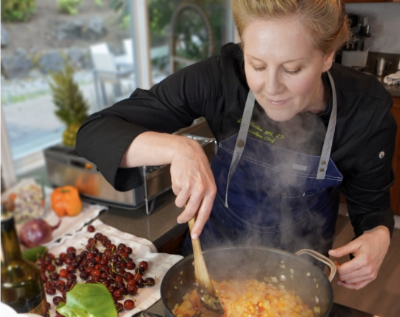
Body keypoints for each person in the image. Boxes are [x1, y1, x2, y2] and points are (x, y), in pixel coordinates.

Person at [76, 0, 396, 290]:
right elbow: (95, 131)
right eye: (256, 65)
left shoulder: (365, 111)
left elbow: (372, 206)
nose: (271, 88)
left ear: (327, 56)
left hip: (299, 277)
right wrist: (179, 148)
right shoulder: (222, 77)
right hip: (211, 267)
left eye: (293, 68)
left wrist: (378, 235)